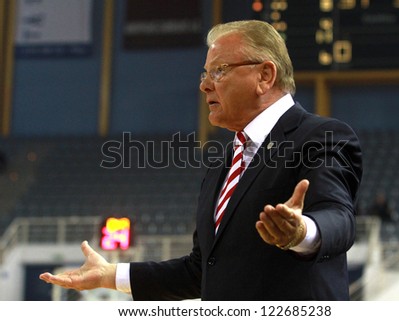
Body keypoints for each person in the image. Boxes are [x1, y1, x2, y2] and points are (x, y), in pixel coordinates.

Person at [40, 20, 363, 300]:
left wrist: (303, 232)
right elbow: (202, 269)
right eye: (205, 74)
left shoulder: (321, 136)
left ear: (265, 75)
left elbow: (339, 218)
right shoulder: (225, 163)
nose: (205, 85)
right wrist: (111, 276)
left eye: (219, 71)